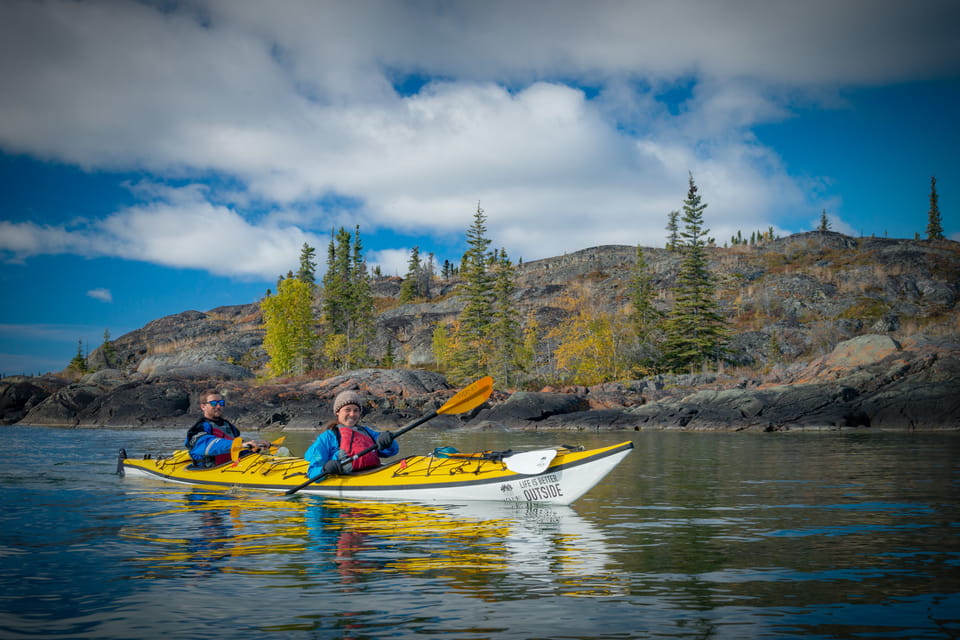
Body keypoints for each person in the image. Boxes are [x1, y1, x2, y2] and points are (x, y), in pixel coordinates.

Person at [304, 390, 399, 479]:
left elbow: (392, 451)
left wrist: (388, 441)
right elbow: (312, 472)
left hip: (372, 473)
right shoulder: (328, 436)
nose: (352, 414)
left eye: (356, 410)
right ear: (337, 412)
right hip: (344, 477)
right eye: (347, 410)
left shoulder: (367, 432)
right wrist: (324, 469)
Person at [184, 389, 262, 467]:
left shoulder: (228, 426)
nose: (218, 406)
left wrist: (254, 448)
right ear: (203, 406)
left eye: (221, 403)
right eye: (213, 403)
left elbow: (235, 451)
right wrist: (239, 445)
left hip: (229, 467)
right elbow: (206, 445)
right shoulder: (199, 427)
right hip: (208, 470)